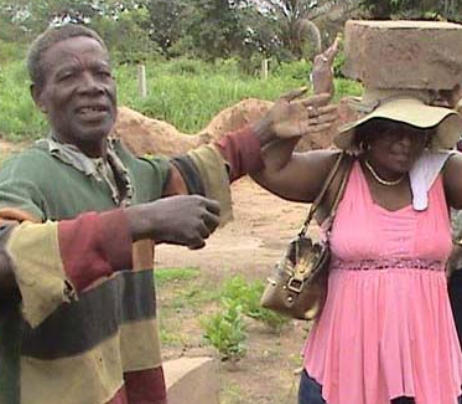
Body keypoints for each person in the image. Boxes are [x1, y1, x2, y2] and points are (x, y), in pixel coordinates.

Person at [0, 24, 338, 404]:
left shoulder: (123, 171)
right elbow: (4, 257)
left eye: (102, 73)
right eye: (69, 76)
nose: (91, 85)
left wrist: (265, 130)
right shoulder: (28, 176)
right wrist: (141, 221)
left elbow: (191, 172)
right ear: (39, 97)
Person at [251, 87, 462, 403]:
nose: (404, 142)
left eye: (415, 132)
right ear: (368, 133)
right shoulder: (337, 172)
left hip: (424, 359)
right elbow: (269, 169)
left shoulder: (441, 173)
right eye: (392, 130)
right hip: (346, 356)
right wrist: (290, 128)